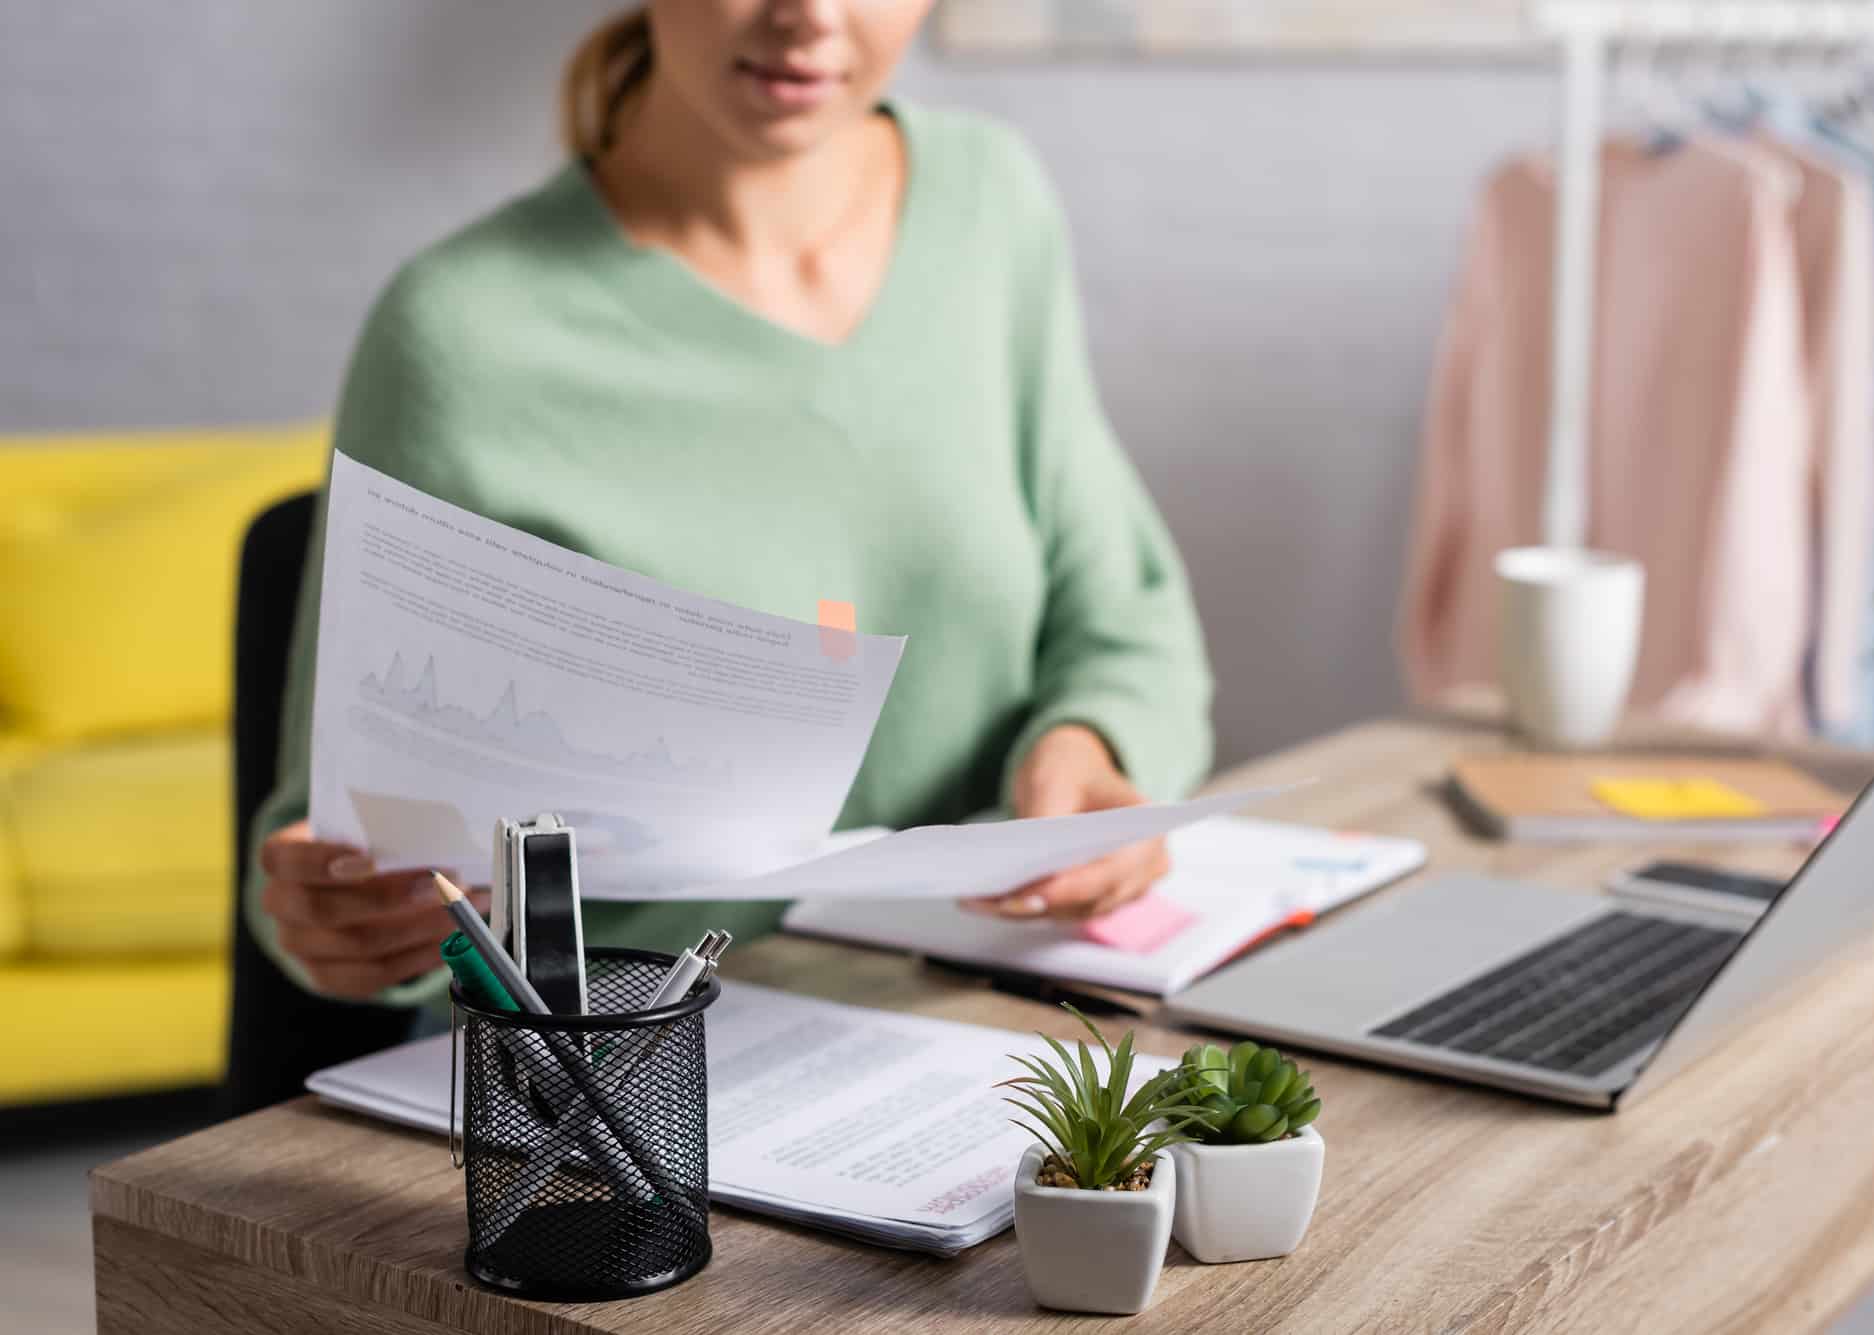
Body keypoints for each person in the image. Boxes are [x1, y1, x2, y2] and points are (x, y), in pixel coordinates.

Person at [246, 0, 1213, 1006]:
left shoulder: (989, 201)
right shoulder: (457, 333)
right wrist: (348, 912)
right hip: (632, 1069)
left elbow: (1123, 612)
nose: (807, 15)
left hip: (986, 1016)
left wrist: (1088, 754)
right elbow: (329, 835)